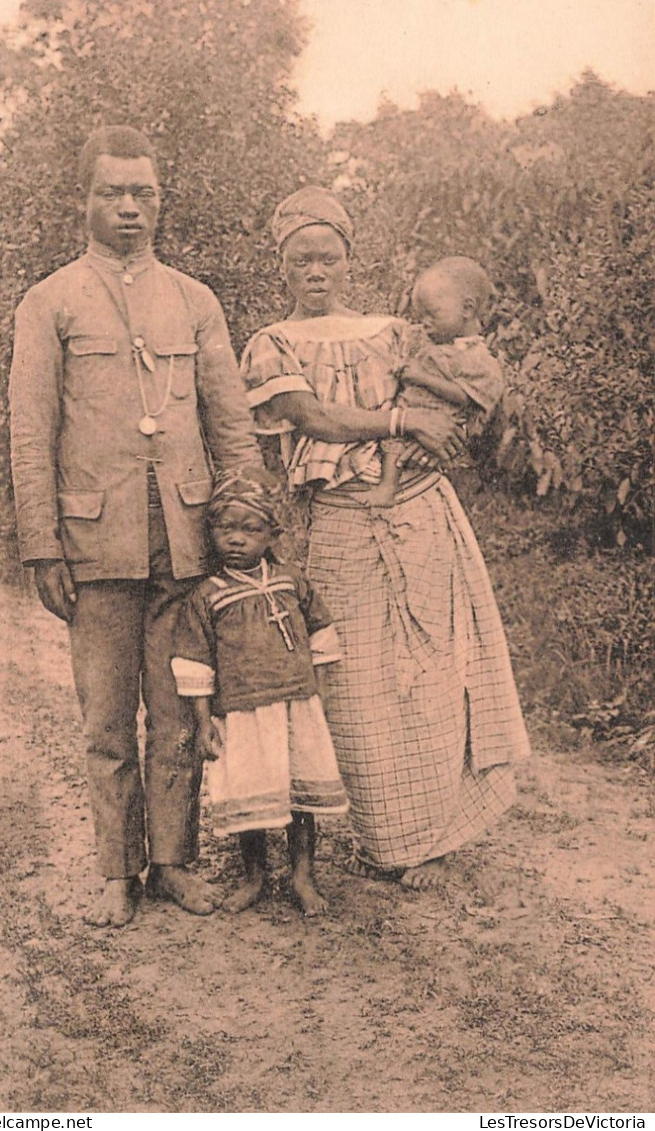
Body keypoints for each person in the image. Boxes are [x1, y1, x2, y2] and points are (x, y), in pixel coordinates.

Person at [240, 186, 531, 890]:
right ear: (282, 267)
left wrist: (437, 445)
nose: (317, 271)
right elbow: (313, 416)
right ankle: (385, 836)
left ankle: (432, 834)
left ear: (349, 260)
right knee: (358, 678)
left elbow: (454, 398)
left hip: (422, 513)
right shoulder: (269, 345)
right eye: (302, 258)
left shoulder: (394, 331)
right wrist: (401, 427)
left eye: (329, 256)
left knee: (431, 670)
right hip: (340, 519)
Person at [9, 126, 262, 927]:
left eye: (143, 193)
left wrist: (248, 518)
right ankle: (117, 872)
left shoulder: (194, 300)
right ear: (82, 199)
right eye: (112, 192)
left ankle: (176, 862)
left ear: (161, 199)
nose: (129, 208)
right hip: (94, 544)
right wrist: (42, 543)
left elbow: (232, 424)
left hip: (187, 543)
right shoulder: (50, 301)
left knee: (182, 712)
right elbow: (31, 431)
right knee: (108, 720)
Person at [170, 470, 348, 916]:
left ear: (272, 533)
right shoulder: (208, 596)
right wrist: (203, 721)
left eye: (250, 529)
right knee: (254, 796)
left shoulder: (291, 581)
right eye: (226, 527)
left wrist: (319, 697)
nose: (237, 539)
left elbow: (322, 634)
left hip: (296, 707)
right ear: (210, 531)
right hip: (243, 715)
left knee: (299, 796)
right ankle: (254, 877)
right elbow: (194, 664)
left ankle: (302, 877)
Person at [365, 256, 503, 508]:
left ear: (467, 309)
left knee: (409, 455)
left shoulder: (478, 359)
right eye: (421, 315)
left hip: (442, 420)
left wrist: (422, 378)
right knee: (393, 444)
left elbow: (466, 396)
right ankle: (390, 488)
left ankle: (389, 490)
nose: (425, 323)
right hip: (411, 414)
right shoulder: (428, 339)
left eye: (433, 314)